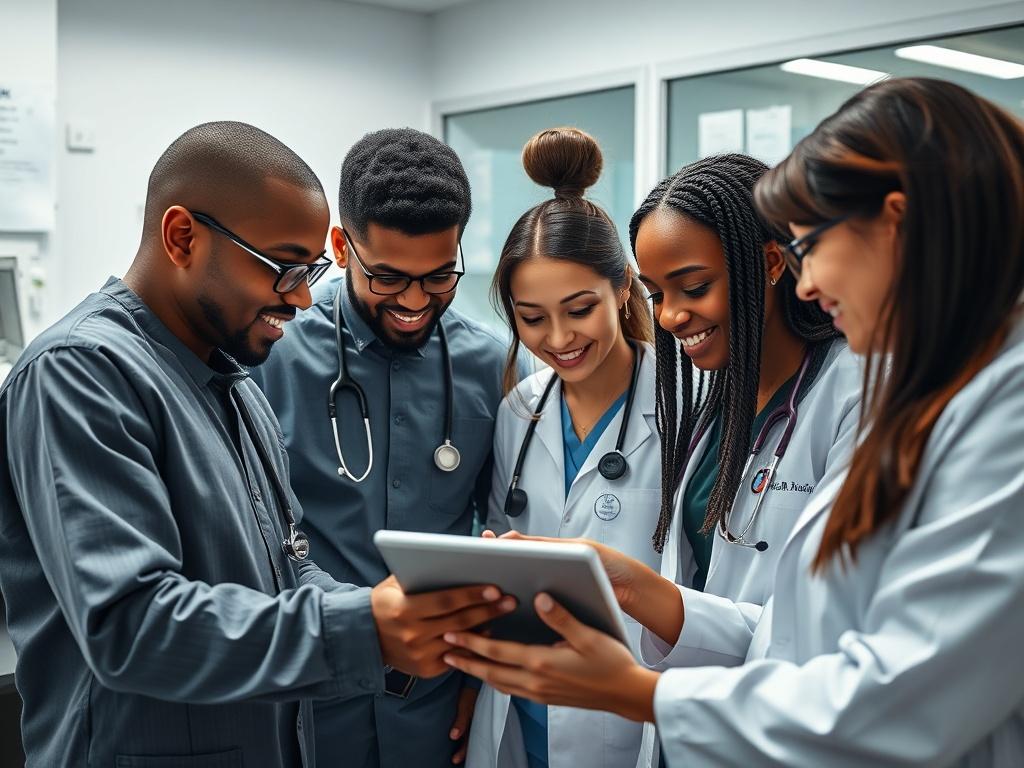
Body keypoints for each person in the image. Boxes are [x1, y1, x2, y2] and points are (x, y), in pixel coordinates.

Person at [442, 78, 1024, 766]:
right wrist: (636, 587)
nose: (807, 284)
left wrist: (641, 694)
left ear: (893, 223)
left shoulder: (982, 408)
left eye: (812, 247)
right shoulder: (735, 398)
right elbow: (784, 632)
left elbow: (906, 695)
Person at [0, 121, 515, 768]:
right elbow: (128, 625)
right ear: (182, 237)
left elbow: (287, 566)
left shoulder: (231, 381)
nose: (302, 297)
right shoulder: (80, 373)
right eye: (283, 268)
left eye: (310, 272)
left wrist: (412, 609)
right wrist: (367, 628)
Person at [250, 128, 512, 768]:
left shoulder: (491, 363)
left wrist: (484, 679)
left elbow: (503, 533)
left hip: (435, 702)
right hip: (306, 693)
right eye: (389, 277)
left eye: (440, 277)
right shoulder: (270, 352)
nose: (416, 302)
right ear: (342, 246)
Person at [466, 127, 661, 768]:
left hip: (631, 705)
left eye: (579, 309)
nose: (558, 337)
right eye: (531, 317)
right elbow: (500, 540)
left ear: (624, 287)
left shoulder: (684, 406)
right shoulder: (521, 406)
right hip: (521, 701)